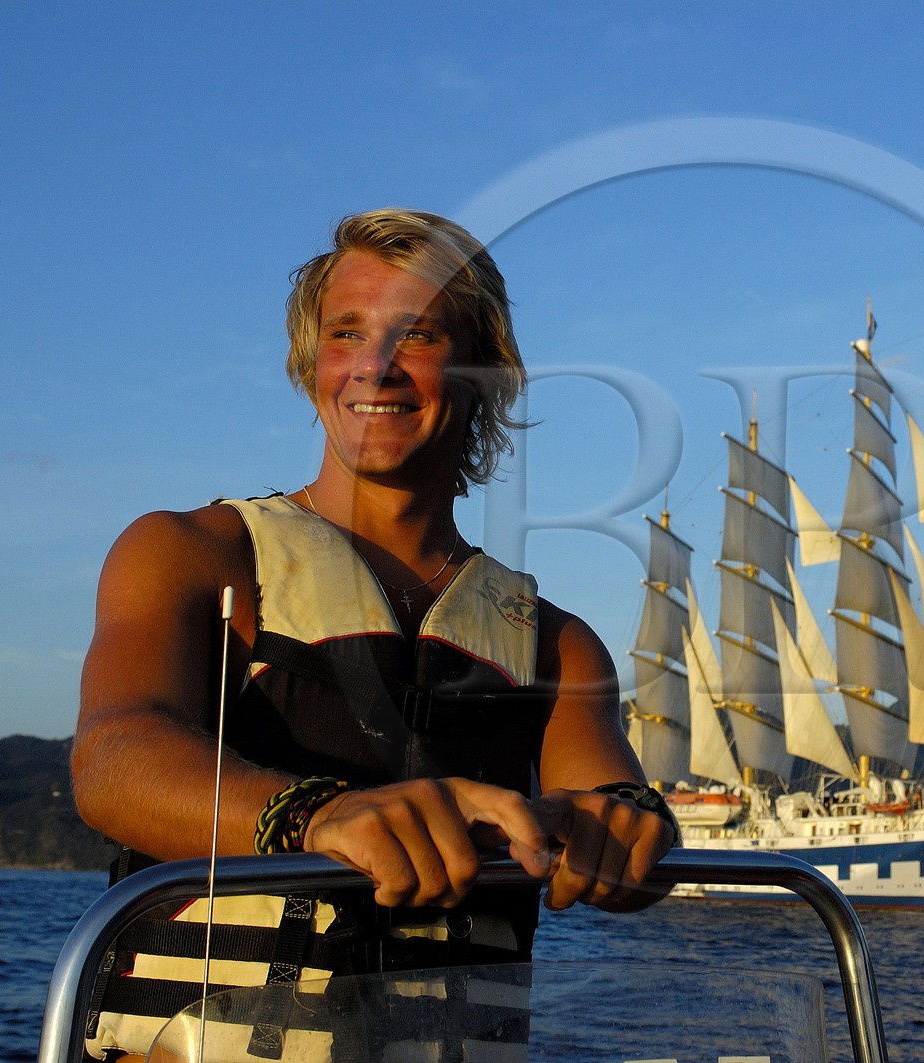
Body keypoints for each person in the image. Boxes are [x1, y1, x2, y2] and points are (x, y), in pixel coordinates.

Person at [71, 209, 677, 1060]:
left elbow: (616, 808)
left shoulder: (555, 645)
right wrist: (318, 816)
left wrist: (630, 829)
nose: (374, 365)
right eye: (346, 332)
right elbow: (113, 758)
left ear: (485, 372)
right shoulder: (192, 553)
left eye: (418, 334)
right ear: (311, 363)